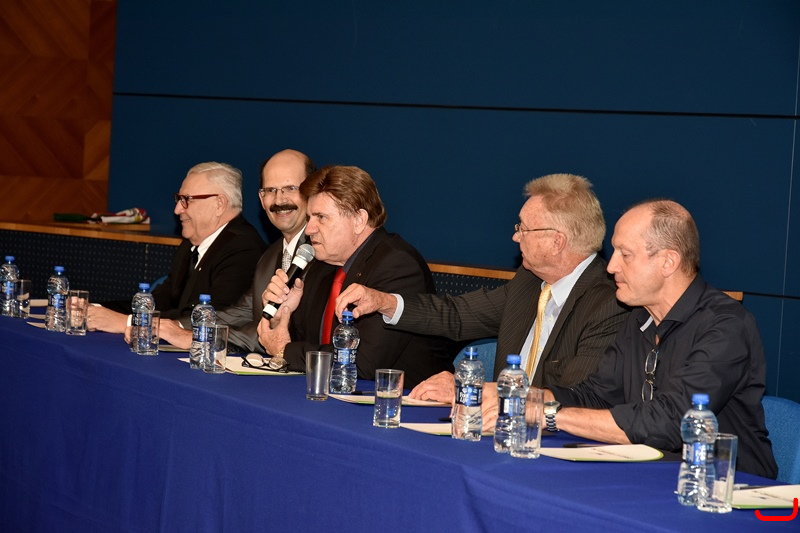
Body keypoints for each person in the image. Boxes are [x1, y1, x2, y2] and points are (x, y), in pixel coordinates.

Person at [334, 173, 629, 405]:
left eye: (523, 229)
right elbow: (457, 315)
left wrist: (472, 389)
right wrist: (385, 302)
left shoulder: (609, 304)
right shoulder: (529, 283)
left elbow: (574, 397)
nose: (515, 237)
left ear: (557, 241)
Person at [543, 199, 777, 478]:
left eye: (625, 254)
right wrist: (531, 399)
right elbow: (595, 396)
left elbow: (672, 423)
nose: (611, 266)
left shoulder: (726, 326)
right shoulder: (639, 319)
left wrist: (551, 416)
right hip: (652, 476)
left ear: (668, 261)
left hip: (728, 487)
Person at [257, 165, 454, 388]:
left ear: (359, 220)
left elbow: (361, 362)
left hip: (399, 401)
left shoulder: (397, 265)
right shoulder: (322, 264)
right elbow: (307, 344)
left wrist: (284, 350)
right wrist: (283, 315)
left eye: (321, 217)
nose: (309, 229)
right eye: (310, 217)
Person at [160, 149, 314, 353]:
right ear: (261, 199)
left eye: (290, 188)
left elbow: (288, 333)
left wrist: (197, 337)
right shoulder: (269, 257)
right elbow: (239, 313)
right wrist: (176, 327)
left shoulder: (323, 254)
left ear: (312, 193)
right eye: (270, 190)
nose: (279, 200)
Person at [87, 162, 266, 333]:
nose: (177, 209)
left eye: (186, 200)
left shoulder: (243, 249)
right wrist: (95, 309)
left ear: (219, 204)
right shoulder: (191, 244)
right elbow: (159, 302)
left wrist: (126, 322)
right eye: (179, 199)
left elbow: (212, 319)